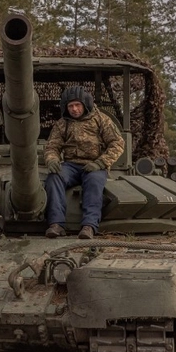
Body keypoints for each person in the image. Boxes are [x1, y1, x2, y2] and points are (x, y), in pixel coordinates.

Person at [43, 86, 125, 239]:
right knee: (54, 178)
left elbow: (117, 143)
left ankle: (89, 226)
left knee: (94, 183)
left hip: (94, 165)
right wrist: (52, 160)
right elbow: (52, 146)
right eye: (70, 106)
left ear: (85, 104)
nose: (74, 109)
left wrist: (101, 163)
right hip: (70, 165)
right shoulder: (63, 123)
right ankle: (56, 224)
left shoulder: (101, 119)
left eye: (77, 105)